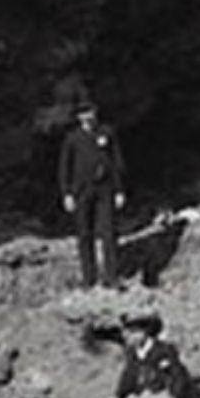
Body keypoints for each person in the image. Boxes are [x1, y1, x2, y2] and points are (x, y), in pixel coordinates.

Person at [58, 100, 126, 287]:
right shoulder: (72, 138)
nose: (88, 116)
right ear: (78, 117)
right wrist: (67, 194)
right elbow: (65, 167)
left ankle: (111, 276)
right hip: (81, 190)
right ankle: (89, 277)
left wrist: (119, 190)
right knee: (84, 233)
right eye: (83, 113)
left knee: (109, 232)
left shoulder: (106, 132)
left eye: (90, 111)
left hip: (105, 188)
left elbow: (116, 162)